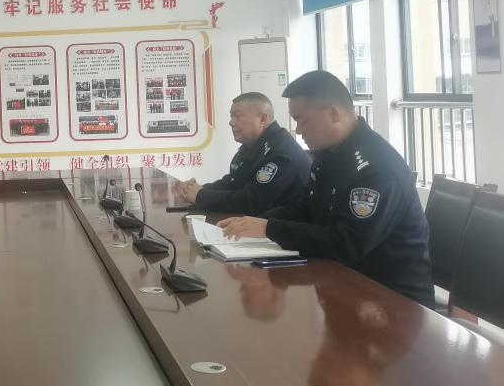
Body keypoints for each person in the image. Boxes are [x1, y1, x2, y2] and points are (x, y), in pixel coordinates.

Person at [218, 71, 433, 306]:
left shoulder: (375, 168)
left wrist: (270, 228)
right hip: (344, 284)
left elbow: (346, 244)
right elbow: (306, 209)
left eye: (302, 120)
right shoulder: (329, 155)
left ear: (333, 114)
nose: (298, 130)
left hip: (393, 302)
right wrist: (257, 222)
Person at [175, 92, 310, 214]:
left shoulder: (281, 152)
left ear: (262, 119)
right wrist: (197, 189)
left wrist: (200, 196)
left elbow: (251, 202)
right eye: (231, 116)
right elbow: (233, 182)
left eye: (238, 116)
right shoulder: (253, 145)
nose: (231, 122)